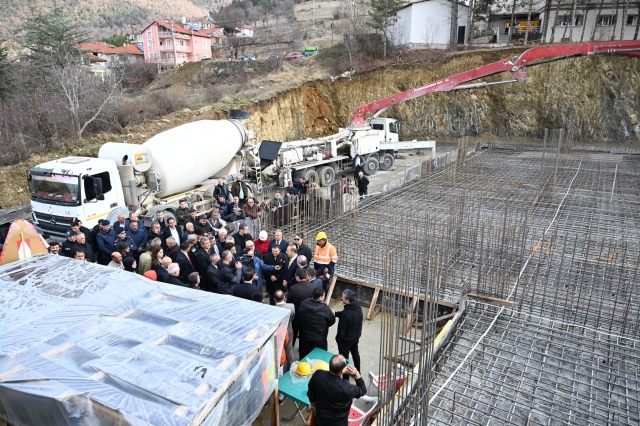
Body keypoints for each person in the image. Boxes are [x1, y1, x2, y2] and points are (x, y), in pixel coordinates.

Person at [307, 354, 367, 426]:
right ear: (342, 370)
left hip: (321, 418)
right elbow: (363, 390)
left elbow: (311, 393)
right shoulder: (346, 387)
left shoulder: (318, 375)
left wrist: (313, 405)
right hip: (339, 422)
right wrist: (356, 374)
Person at [297, 287, 336, 359]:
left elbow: (299, 317)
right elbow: (332, 321)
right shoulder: (325, 309)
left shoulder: (304, 303)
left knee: (304, 354)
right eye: (324, 295)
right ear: (320, 297)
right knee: (320, 356)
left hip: (305, 335)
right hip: (320, 337)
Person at [334, 289, 363, 380]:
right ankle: (357, 371)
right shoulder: (357, 306)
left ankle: (345, 378)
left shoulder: (346, 314)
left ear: (347, 300)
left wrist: (338, 340)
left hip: (346, 340)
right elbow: (346, 315)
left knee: (344, 359)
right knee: (355, 353)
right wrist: (336, 313)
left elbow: (341, 331)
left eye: (343, 298)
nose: (341, 299)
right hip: (356, 336)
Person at [286, 268, 317, 345]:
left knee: (293, 335)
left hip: (296, 316)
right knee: (304, 337)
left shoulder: (293, 288)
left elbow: (289, 303)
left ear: (297, 277)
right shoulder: (314, 286)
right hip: (308, 316)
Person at [274, 289, 295, 372]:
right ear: (284, 297)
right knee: (289, 349)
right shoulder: (291, 306)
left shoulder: (273, 308)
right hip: (288, 329)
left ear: (274, 299)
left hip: (278, 331)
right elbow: (293, 316)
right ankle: (291, 366)